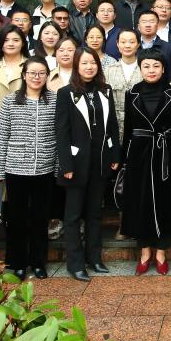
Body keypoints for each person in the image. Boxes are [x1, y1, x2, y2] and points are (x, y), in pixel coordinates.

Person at [55, 47, 121, 281]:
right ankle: (75, 264)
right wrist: (66, 165)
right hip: (76, 163)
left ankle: (94, 258)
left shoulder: (105, 90)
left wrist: (115, 155)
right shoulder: (65, 93)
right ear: (76, 66)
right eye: (84, 63)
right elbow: (61, 132)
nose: (89, 67)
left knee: (94, 213)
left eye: (92, 63)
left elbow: (112, 125)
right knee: (73, 216)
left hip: (100, 161)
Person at [121, 49, 171, 275]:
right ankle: (144, 252)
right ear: (140, 68)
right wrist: (124, 158)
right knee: (141, 202)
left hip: (165, 153)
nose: (151, 70)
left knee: (164, 201)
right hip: (138, 153)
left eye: (156, 66)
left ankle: (161, 252)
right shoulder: (132, 93)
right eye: (146, 66)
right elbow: (128, 128)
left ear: (163, 68)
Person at [0, 57, 56, 279]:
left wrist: (58, 166)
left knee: (40, 218)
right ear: (24, 75)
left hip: (45, 169)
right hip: (16, 168)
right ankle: (17, 262)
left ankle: (38, 262)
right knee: (17, 218)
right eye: (32, 73)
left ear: (47, 76)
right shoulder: (11, 101)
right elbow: (2, 136)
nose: (36, 77)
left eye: (41, 73)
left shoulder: (55, 100)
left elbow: (59, 135)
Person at [104, 29, 143, 131]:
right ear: (117, 44)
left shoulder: (144, 69)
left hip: (140, 124)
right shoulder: (109, 70)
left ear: (138, 44)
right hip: (115, 124)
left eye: (132, 42)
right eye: (123, 42)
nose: (127, 46)